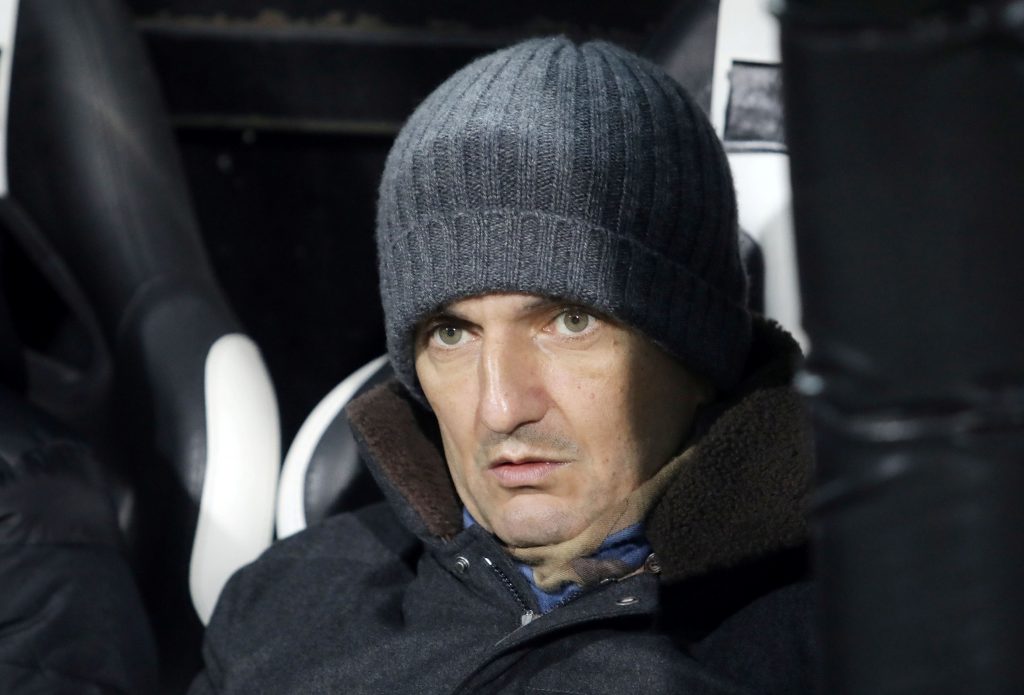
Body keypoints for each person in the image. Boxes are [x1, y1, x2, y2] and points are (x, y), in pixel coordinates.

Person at [190, 36, 815, 694]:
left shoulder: (848, 637)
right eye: (451, 333)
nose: (501, 407)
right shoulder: (281, 604)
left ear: (698, 354)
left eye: (571, 321)